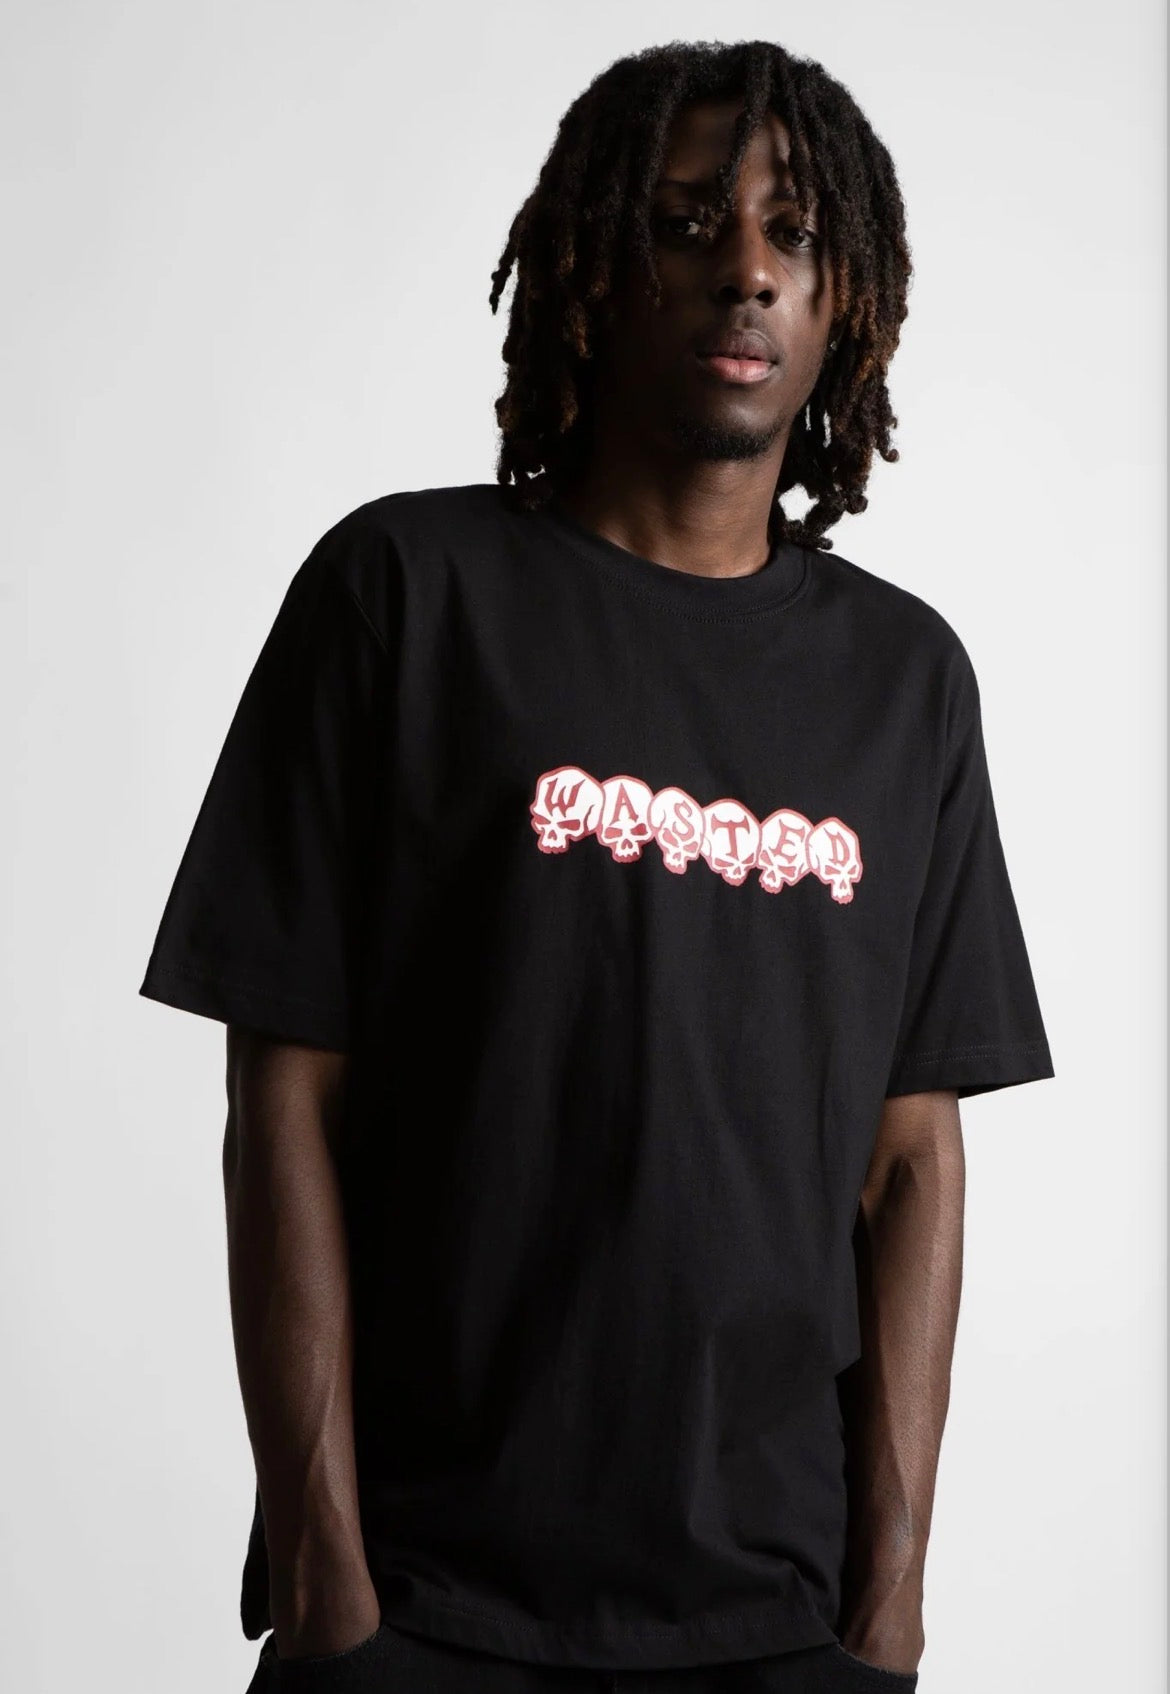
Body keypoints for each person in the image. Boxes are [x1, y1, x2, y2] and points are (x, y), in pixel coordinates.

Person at [138, 38, 1055, 1694]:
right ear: (589, 266)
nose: (746, 268)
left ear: (845, 298)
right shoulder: (403, 595)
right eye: (687, 221)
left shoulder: (902, 680)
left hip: (777, 1619)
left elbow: (911, 1154)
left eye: (793, 233)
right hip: (425, 1603)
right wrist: (329, 1578)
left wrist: (887, 1608)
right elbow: (283, 1095)